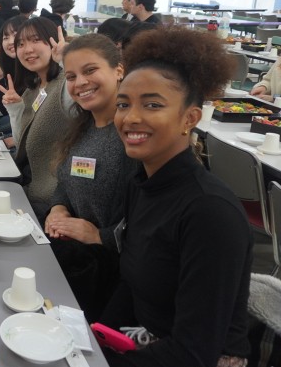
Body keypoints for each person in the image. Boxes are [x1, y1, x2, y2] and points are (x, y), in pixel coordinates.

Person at [101, 27, 252, 367]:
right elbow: (131, 285)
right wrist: (95, 338)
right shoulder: (141, 184)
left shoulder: (210, 212)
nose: (131, 118)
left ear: (190, 118)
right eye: (123, 104)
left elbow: (194, 352)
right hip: (148, 342)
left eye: (152, 105)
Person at [43, 33, 137, 321]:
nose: (80, 83)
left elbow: (148, 215)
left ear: (119, 70)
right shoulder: (83, 127)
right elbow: (66, 179)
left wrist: (101, 236)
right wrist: (59, 207)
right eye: (71, 77)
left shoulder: (134, 135)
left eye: (90, 70)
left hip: (109, 275)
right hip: (76, 255)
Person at [0, 16, 70, 221]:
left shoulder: (65, 85)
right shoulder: (34, 88)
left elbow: (78, 89)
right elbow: (21, 142)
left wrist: (66, 61)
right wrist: (15, 110)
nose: (27, 49)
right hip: (25, 182)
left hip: (51, 200)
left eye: (36, 40)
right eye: (21, 44)